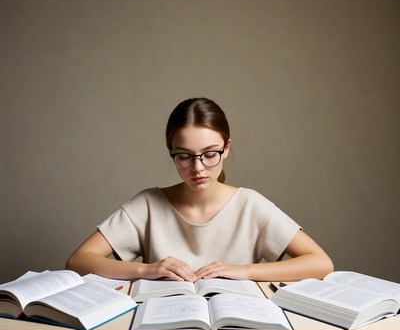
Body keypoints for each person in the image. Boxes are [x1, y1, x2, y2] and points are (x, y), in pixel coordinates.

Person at [66, 97, 333, 282]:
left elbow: (321, 263)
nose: (198, 168)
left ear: (227, 148)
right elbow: (78, 261)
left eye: (209, 154)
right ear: (170, 151)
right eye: (184, 156)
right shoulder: (148, 204)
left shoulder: (250, 204)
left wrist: (246, 271)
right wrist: (146, 269)